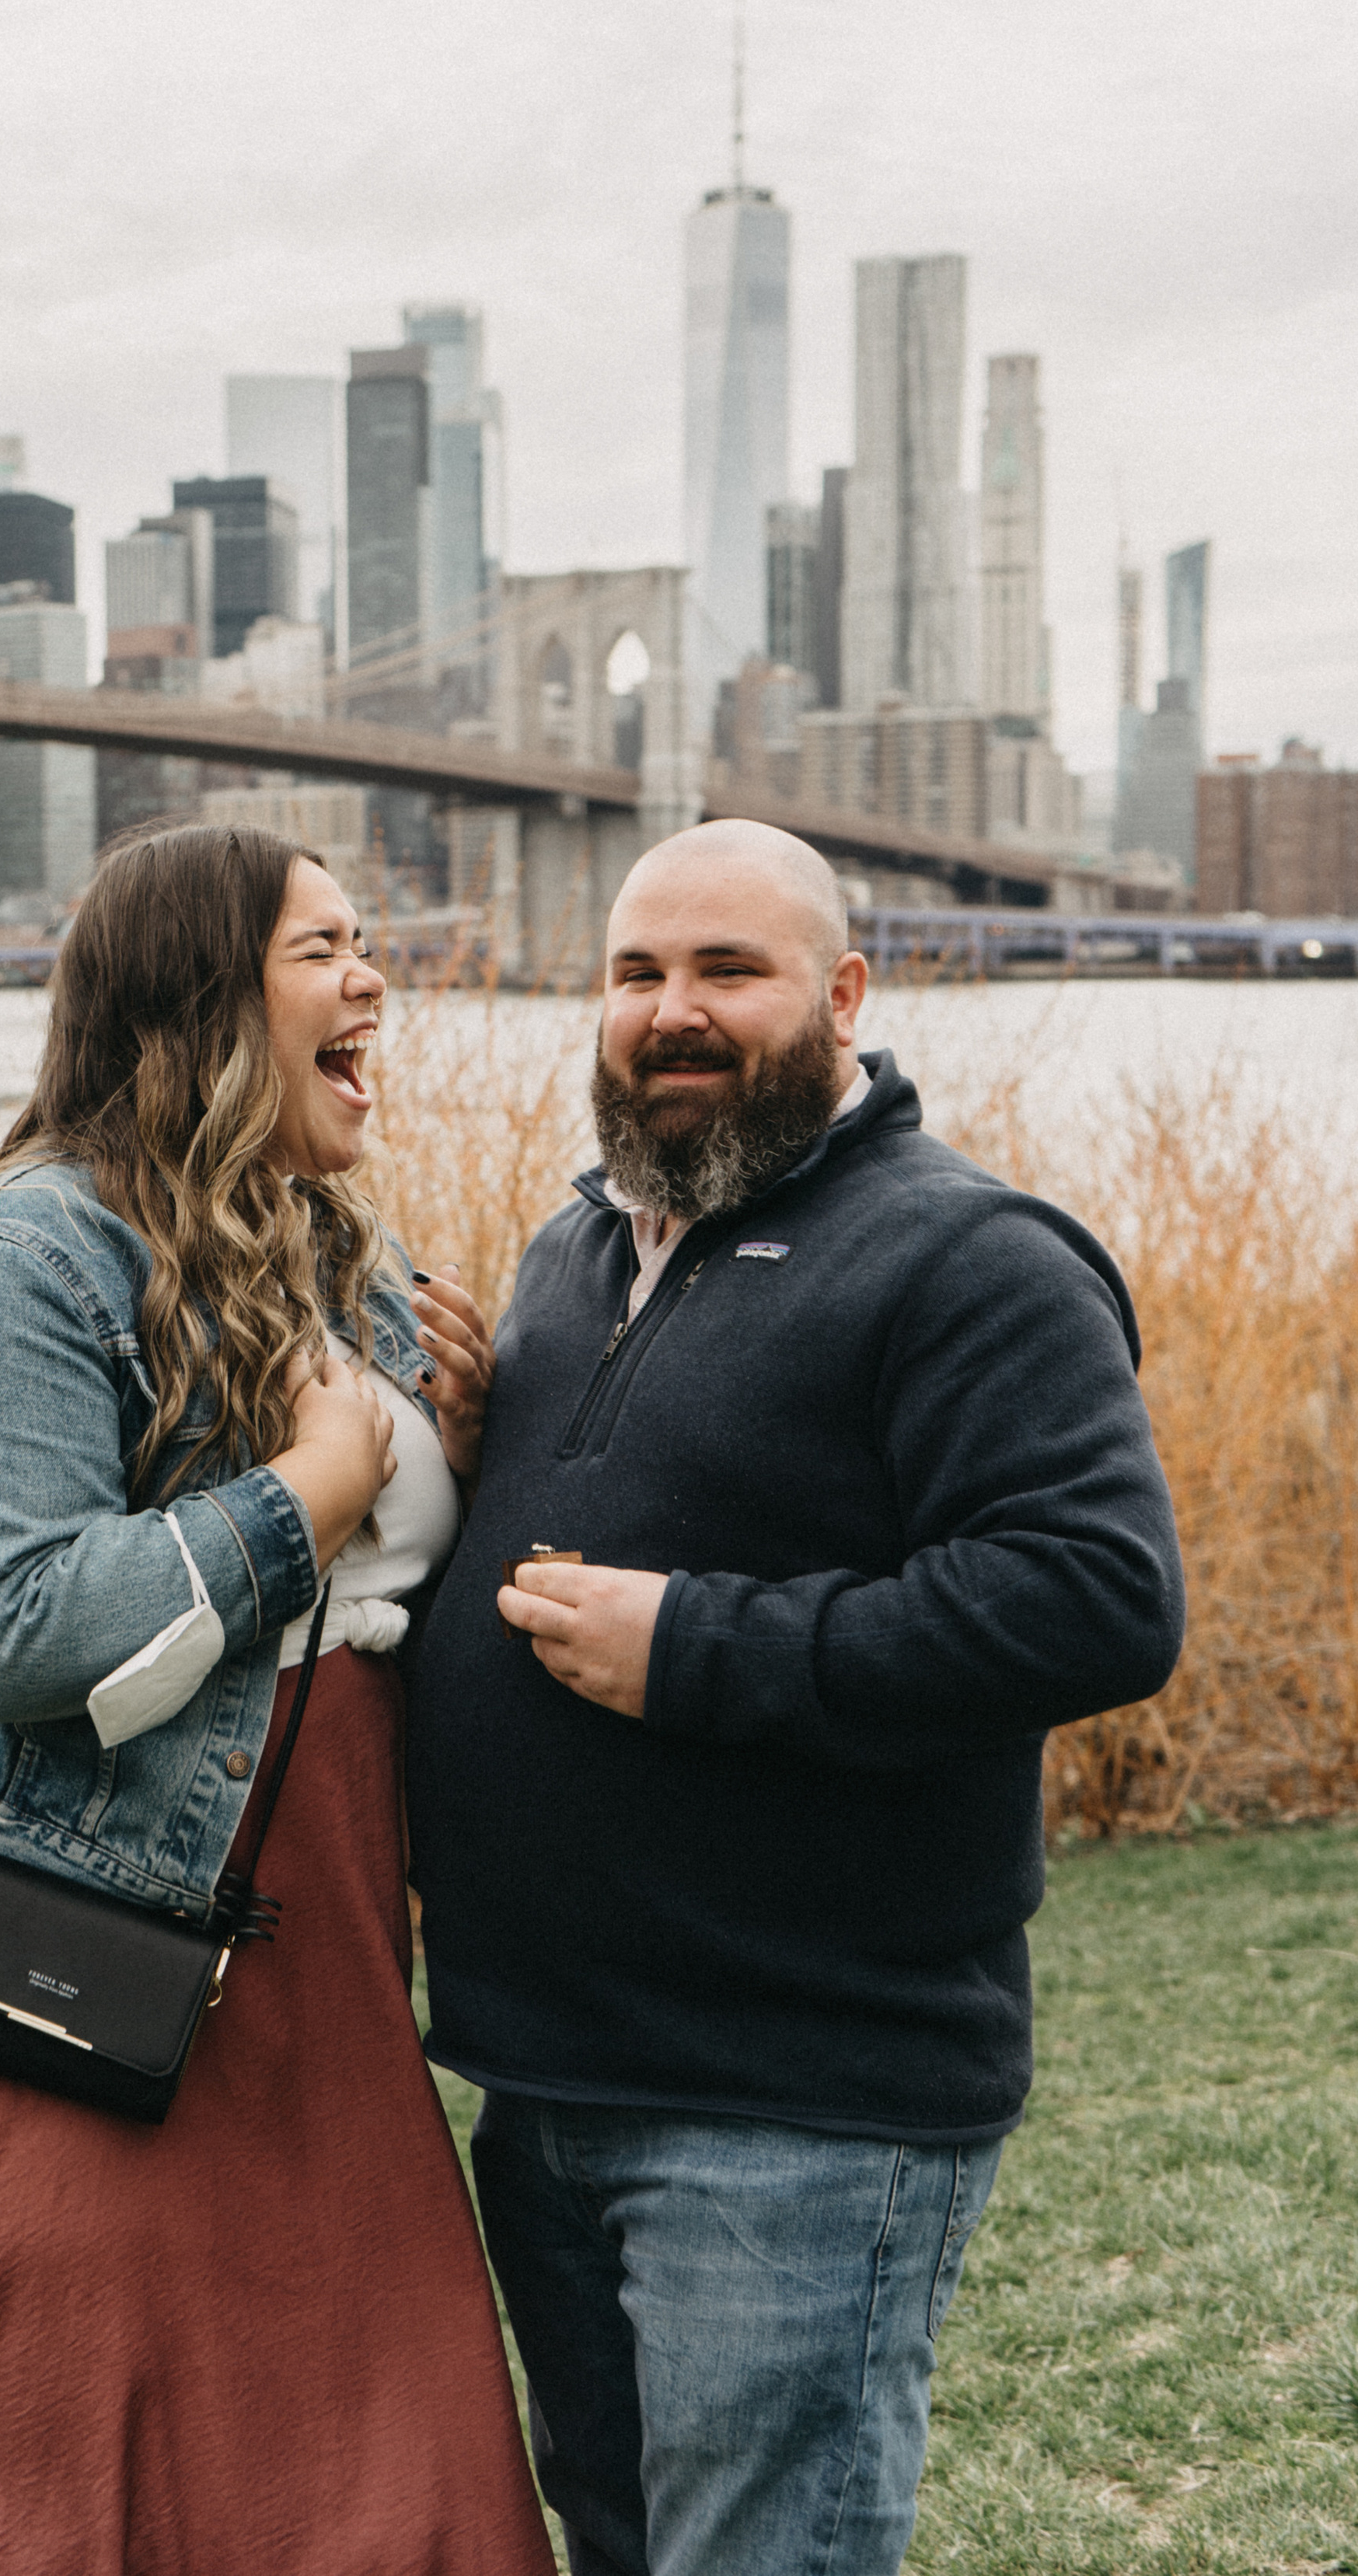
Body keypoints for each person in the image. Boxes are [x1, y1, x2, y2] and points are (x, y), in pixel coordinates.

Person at [0, 824, 557, 2576]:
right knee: (70, 2443)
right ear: (200, 998)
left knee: (385, 2429)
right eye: (323, 948)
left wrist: (451, 1461)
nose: (372, 978)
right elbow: (11, 1624)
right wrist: (309, 1493)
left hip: (298, 1925)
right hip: (49, 1897)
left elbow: (365, 1615)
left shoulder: (339, 1254)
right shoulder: (20, 1266)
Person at [405, 819, 1184, 2576]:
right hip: (547, 2086)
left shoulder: (968, 1258)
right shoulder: (572, 1252)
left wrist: (692, 1647)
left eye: (723, 973)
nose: (669, 1013)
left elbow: (1095, 1600)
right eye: (633, 974)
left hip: (791, 2111)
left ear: (840, 994)